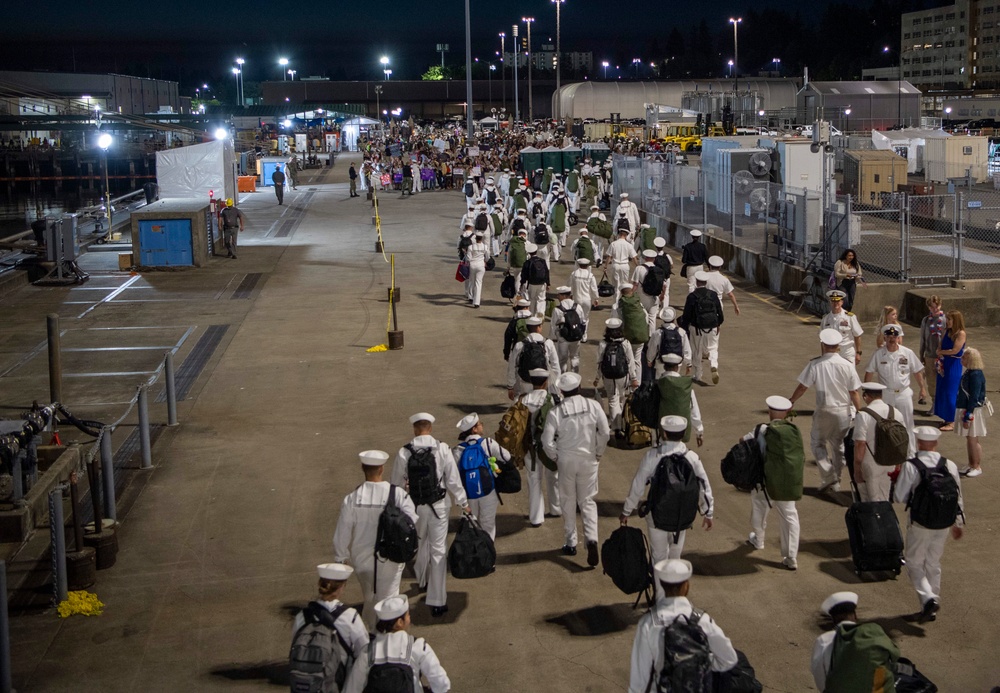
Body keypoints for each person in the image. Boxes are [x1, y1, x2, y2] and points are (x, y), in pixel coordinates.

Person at [390, 413, 471, 618]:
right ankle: (437, 600)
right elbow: (453, 480)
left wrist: (397, 508)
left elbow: (397, 485)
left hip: (415, 506)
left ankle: (422, 579)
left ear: (415, 429)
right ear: (430, 428)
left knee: (419, 543)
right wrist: (463, 503)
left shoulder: (404, 452)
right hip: (439, 506)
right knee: (438, 551)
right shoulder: (442, 449)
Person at [332, 450, 418, 631]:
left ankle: (369, 630)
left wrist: (341, 557)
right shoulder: (397, 495)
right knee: (389, 600)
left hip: (361, 560)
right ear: (381, 468)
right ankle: (383, 636)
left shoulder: (352, 498)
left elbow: (342, 531)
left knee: (369, 597)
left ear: (363, 469)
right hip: (390, 558)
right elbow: (413, 520)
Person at [628, 559, 737, 693]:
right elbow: (729, 659)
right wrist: (700, 662)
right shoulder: (702, 620)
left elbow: (639, 679)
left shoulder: (648, 623)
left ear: (661, 584)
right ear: (686, 585)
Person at [893, 426, 965, 623]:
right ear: (936, 443)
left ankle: (928, 599)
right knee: (933, 563)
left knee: (914, 562)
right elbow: (957, 495)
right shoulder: (948, 464)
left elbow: (899, 496)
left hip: (920, 523)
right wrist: (958, 523)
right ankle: (931, 606)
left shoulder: (912, 466)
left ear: (918, 442)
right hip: (944, 523)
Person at [621, 416, 713, 566]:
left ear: (664, 433)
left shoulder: (652, 456)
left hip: (657, 517)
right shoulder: (692, 457)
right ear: (683, 434)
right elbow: (704, 486)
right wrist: (708, 512)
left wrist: (626, 511)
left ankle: (660, 589)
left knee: (658, 557)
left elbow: (638, 485)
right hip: (681, 517)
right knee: (675, 555)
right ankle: (673, 586)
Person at [541, 372, 611, 566]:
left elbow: (546, 442)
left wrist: (556, 457)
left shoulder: (556, 412)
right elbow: (605, 433)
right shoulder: (594, 406)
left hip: (566, 460)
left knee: (568, 500)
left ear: (562, 391)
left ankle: (570, 542)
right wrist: (598, 452)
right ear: (579, 388)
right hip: (588, 459)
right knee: (587, 501)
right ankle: (592, 538)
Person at [789, 329, 863, 493]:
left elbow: (803, 386)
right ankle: (836, 479)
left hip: (824, 409)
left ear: (823, 344)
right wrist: (861, 412)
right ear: (838, 346)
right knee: (838, 446)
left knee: (817, 443)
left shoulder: (815, 364)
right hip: (844, 410)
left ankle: (829, 476)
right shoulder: (847, 365)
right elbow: (854, 392)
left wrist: (792, 401)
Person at [342, 596, 451, 693]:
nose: (410, 618)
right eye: (408, 615)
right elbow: (441, 683)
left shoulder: (368, 651)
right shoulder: (418, 646)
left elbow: (352, 688)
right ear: (399, 622)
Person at [744, 396, 801, 570]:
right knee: (789, 517)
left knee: (759, 509)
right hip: (787, 480)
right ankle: (791, 557)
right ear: (786, 413)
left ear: (769, 412)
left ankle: (759, 540)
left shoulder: (761, 429)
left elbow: (743, 441)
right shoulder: (793, 431)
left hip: (765, 480)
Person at [811, 592, 898, 692]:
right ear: (855, 616)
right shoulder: (873, 635)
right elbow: (894, 658)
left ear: (833, 619)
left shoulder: (824, 640)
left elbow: (818, 673)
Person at [864, 324, 928, 455]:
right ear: (885, 338)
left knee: (907, 424)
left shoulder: (907, 353)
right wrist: (868, 391)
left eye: (894, 336)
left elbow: (916, 371)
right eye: (889, 336)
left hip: (903, 393)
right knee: (884, 424)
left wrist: (922, 388)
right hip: (886, 394)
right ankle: (887, 452)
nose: (892, 339)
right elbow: (869, 372)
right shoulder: (878, 354)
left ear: (898, 338)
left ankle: (910, 453)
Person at [290, 563, 368, 662]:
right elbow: (363, 650)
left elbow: (295, 644)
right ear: (342, 587)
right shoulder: (351, 616)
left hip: (304, 672)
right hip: (338, 674)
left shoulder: (302, 615)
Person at [454, 413, 510, 540]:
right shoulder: (488, 443)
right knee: (488, 524)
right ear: (474, 429)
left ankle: (474, 554)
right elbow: (506, 456)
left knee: (472, 525)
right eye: (480, 424)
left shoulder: (457, 450)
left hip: (468, 495)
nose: (482, 426)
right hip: (488, 491)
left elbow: (454, 475)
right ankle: (488, 552)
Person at [522, 368, 563, 527]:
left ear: (532, 382)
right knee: (554, 476)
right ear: (546, 382)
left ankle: (536, 518)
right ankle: (556, 508)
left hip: (531, 448)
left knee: (534, 481)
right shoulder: (553, 399)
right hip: (550, 445)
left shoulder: (524, 400)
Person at [852, 383, 898, 502]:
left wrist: (857, 467)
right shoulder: (896, 413)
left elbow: (860, 444)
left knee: (869, 501)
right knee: (885, 498)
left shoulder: (863, 415)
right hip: (890, 462)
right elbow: (901, 441)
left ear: (866, 396)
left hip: (871, 463)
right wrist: (898, 465)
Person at [595, 318, 639, 436]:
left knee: (612, 400)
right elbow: (631, 362)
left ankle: (616, 427)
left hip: (608, 376)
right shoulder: (625, 343)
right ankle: (622, 424)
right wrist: (634, 378)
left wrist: (597, 378)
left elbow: (599, 362)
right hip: (622, 375)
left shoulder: (603, 344)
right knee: (622, 398)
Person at [679, 272, 724, 385]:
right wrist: (718, 324)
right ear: (706, 282)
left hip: (697, 328)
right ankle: (713, 364)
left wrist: (685, 328)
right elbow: (720, 312)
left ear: (697, 282)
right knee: (713, 348)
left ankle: (698, 375)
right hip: (712, 326)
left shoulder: (692, 296)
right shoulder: (713, 295)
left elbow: (686, 315)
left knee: (696, 351)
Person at [507, 316, 561, 399]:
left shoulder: (520, 345)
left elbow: (512, 366)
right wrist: (557, 385)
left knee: (525, 404)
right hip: (543, 382)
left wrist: (510, 386)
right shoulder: (548, 343)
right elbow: (555, 366)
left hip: (525, 380)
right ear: (539, 327)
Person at [955, 347, 987, 477]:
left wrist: (968, 414)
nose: (961, 359)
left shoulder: (976, 375)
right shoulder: (969, 372)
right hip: (967, 408)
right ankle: (970, 464)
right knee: (970, 439)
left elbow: (974, 396)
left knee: (973, 439)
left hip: (972, 410)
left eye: (964, 357)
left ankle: (976, 466)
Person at [933, 310, 967, 431]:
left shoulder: (960, 334)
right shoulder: (947, 331)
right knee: (942, 390)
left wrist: (941, 352)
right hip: (944, 363)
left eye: (950, 319)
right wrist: (939, 351)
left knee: (950, 392)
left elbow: (955, 350)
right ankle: (946, 418)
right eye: (947, 319)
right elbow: (941, 345)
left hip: (953, 364)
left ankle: (952, 421)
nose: (947, 321)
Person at [646, 308, 692, 381]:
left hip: (661, 362)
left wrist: (649, 360)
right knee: (674, 381)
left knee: (660, 382)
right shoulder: (681, 332)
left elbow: (652, 348)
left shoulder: (658, 332)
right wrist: (688, 364)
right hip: (677, 363)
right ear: (673, 319)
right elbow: (686, 349)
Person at [818, 290, 863, 365]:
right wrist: (824, 355)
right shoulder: (825, 319)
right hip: (831, 353)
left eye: (838, 301)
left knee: (849, 375)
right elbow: (823, 340)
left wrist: (858, 353)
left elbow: (857, 335)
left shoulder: (850, 317)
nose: (835, 303)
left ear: (842, 302)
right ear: (830, 302)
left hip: (847, 353)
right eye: (833, 301)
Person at [549, 286, 586, 373]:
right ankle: (575, 378)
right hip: (576, 337)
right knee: (575, 358)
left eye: (559, 295)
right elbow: (583, 322)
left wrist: (552, 338)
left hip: (563, 338)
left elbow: (553, 326)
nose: (558, 297)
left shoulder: (557, 309)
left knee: (562, 360)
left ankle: (563, 379)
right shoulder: (578, 307)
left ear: (564, 296)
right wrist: (581, 334)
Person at [918, 295, 945, 405]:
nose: (935, 309)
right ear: (929, 307)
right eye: (932, 307)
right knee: (931, 381)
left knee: (943, 380)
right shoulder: (925, 321)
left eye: (937, 306)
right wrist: (921, 355)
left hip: (943, 355)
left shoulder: (945, 319)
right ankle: (934, 403)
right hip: (929, 354)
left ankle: (943, 404)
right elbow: (922, 339)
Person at [633, 249, 666, 335]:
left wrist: (630, 294)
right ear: (654, 259)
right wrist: (662, 295)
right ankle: (651, 337)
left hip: (641, 296)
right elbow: (664, 285)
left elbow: (635, 284)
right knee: (652, 318)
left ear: (645, 258)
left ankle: (642, 335)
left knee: (642, 317)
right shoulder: (658, 270)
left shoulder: (639, 268)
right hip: (654, 296)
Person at [569, 257, 600, 342]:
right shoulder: (590, 275)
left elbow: (570, 286)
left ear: (579, 264)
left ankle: (576, 333)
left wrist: (570, 294)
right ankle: (584, 335)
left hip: (576, 299)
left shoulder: (574, 274)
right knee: (585, 318)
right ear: (587, 265)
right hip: (587, 299)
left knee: (576, 317)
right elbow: (594, 288)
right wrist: (596, 298)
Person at [605, 227, 639, 302]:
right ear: (626, 235)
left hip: (615, 265)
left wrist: (605, 267)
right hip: (625, 266)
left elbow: (609, 257)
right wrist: (638, 266)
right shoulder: (629, 245)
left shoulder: (613, 244)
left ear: (619, 234)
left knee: (616, 285)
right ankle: (623, 301)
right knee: (624, 285)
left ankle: (615, 302)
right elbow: (634, 258)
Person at [517, 243, 549, 316]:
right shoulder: (542, 261)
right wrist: (548, 283)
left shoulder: (527, 262)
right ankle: (540, 312)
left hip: (532, 283)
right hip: (542, 283)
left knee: (532, 299)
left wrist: (522, 284)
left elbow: (523, 275)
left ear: (529, 253)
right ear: (536, 251)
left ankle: (532, 314)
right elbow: (547, 272)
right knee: (541, 299)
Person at [464, 231, 488, 309]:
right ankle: (476, 302)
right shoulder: (485, 247)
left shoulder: (471, 247)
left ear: (475, 238)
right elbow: (487, 257)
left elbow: (468, 258)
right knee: (478, 283)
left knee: (471, 280)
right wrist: (485, 261)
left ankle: (470, 296)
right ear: (482, 238)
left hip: (472, 265)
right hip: (481, 266)